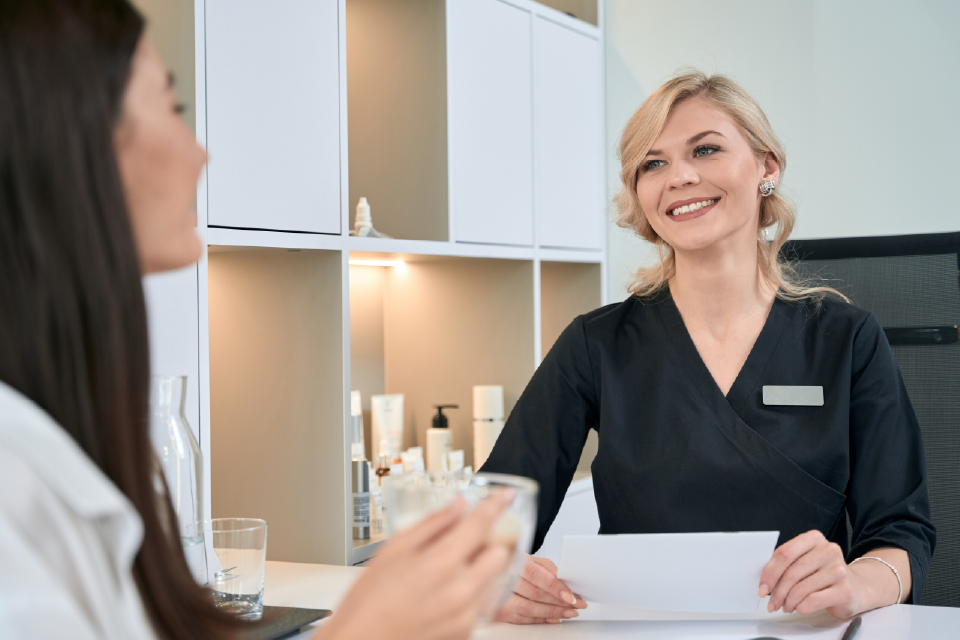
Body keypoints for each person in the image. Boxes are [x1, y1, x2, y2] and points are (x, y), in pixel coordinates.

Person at [0, 1, 511, 639]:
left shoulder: (64, 446)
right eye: (173, 109)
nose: (199, 155)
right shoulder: (13, 482)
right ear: (71, 141)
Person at [483, 70, 936, 624]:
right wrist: (493, 577)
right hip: (640, 634)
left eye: (705, 149)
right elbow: (494, 515)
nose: (680, 176)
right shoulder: (595, 345)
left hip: (799, 633)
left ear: (766, 167)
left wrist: (858, 583)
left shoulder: (847, 340)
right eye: (653, 163)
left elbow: (902, 533)